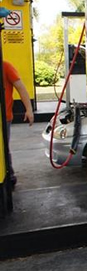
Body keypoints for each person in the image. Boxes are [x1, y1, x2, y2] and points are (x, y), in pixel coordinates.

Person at [3, 60, 34, 188]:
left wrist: (29, 109)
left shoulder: (5, 66)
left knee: (3, 149)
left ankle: (9, 176)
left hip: (4, 118)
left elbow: (20, 87)